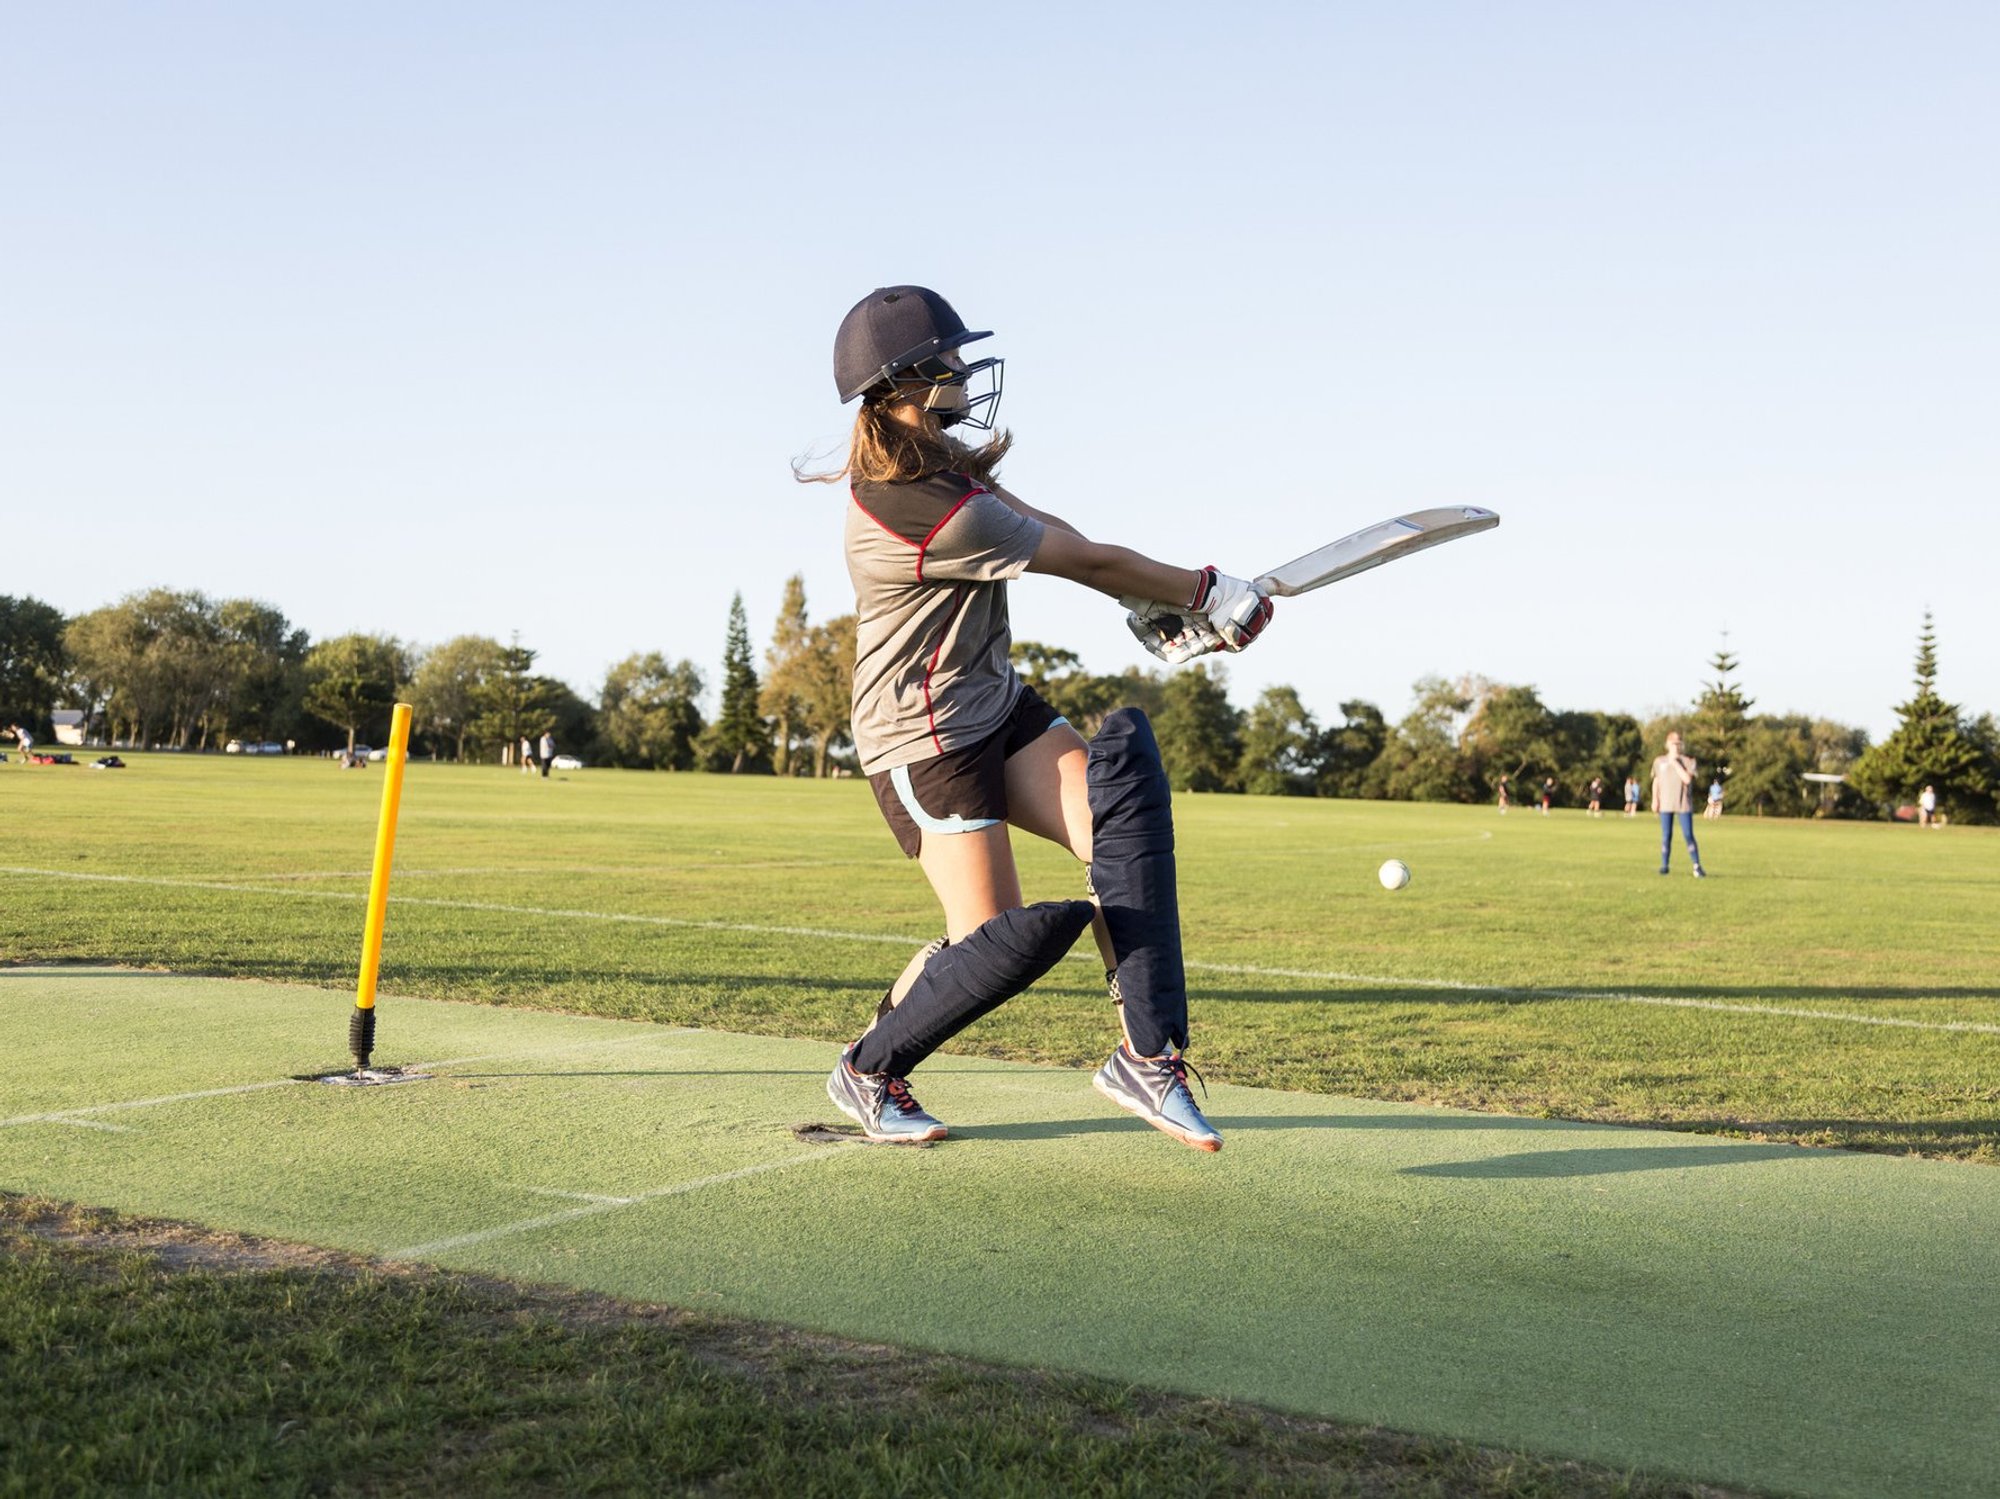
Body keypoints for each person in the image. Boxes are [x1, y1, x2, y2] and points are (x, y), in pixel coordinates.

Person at [802, 285, 1274, 1151]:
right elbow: (1084, 560)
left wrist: (1151, 601)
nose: (964, 373)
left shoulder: (943, 470)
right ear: (908, 377)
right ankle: (868, 1068)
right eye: (949, 361)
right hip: (924, 739)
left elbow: (1059, 535)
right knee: (982, 944)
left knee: (1120, 838)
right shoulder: (919, 505)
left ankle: (1145, 1056)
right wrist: (1206, 591)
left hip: (998, 708)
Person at [1651, 730, 1705, 877]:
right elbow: (1656, 781)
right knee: (1666, 835)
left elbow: (1687, 779)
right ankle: (1664, 865)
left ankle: (1696, 865)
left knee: (1688, 834)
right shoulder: (1659, 761)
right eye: (1673, 743)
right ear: (1667, 744)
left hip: (1683, 804)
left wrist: (1675, 763)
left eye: (1678, 743)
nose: (1675, 746)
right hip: (1665, 804)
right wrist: (1655, 799)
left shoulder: (1688, 761)